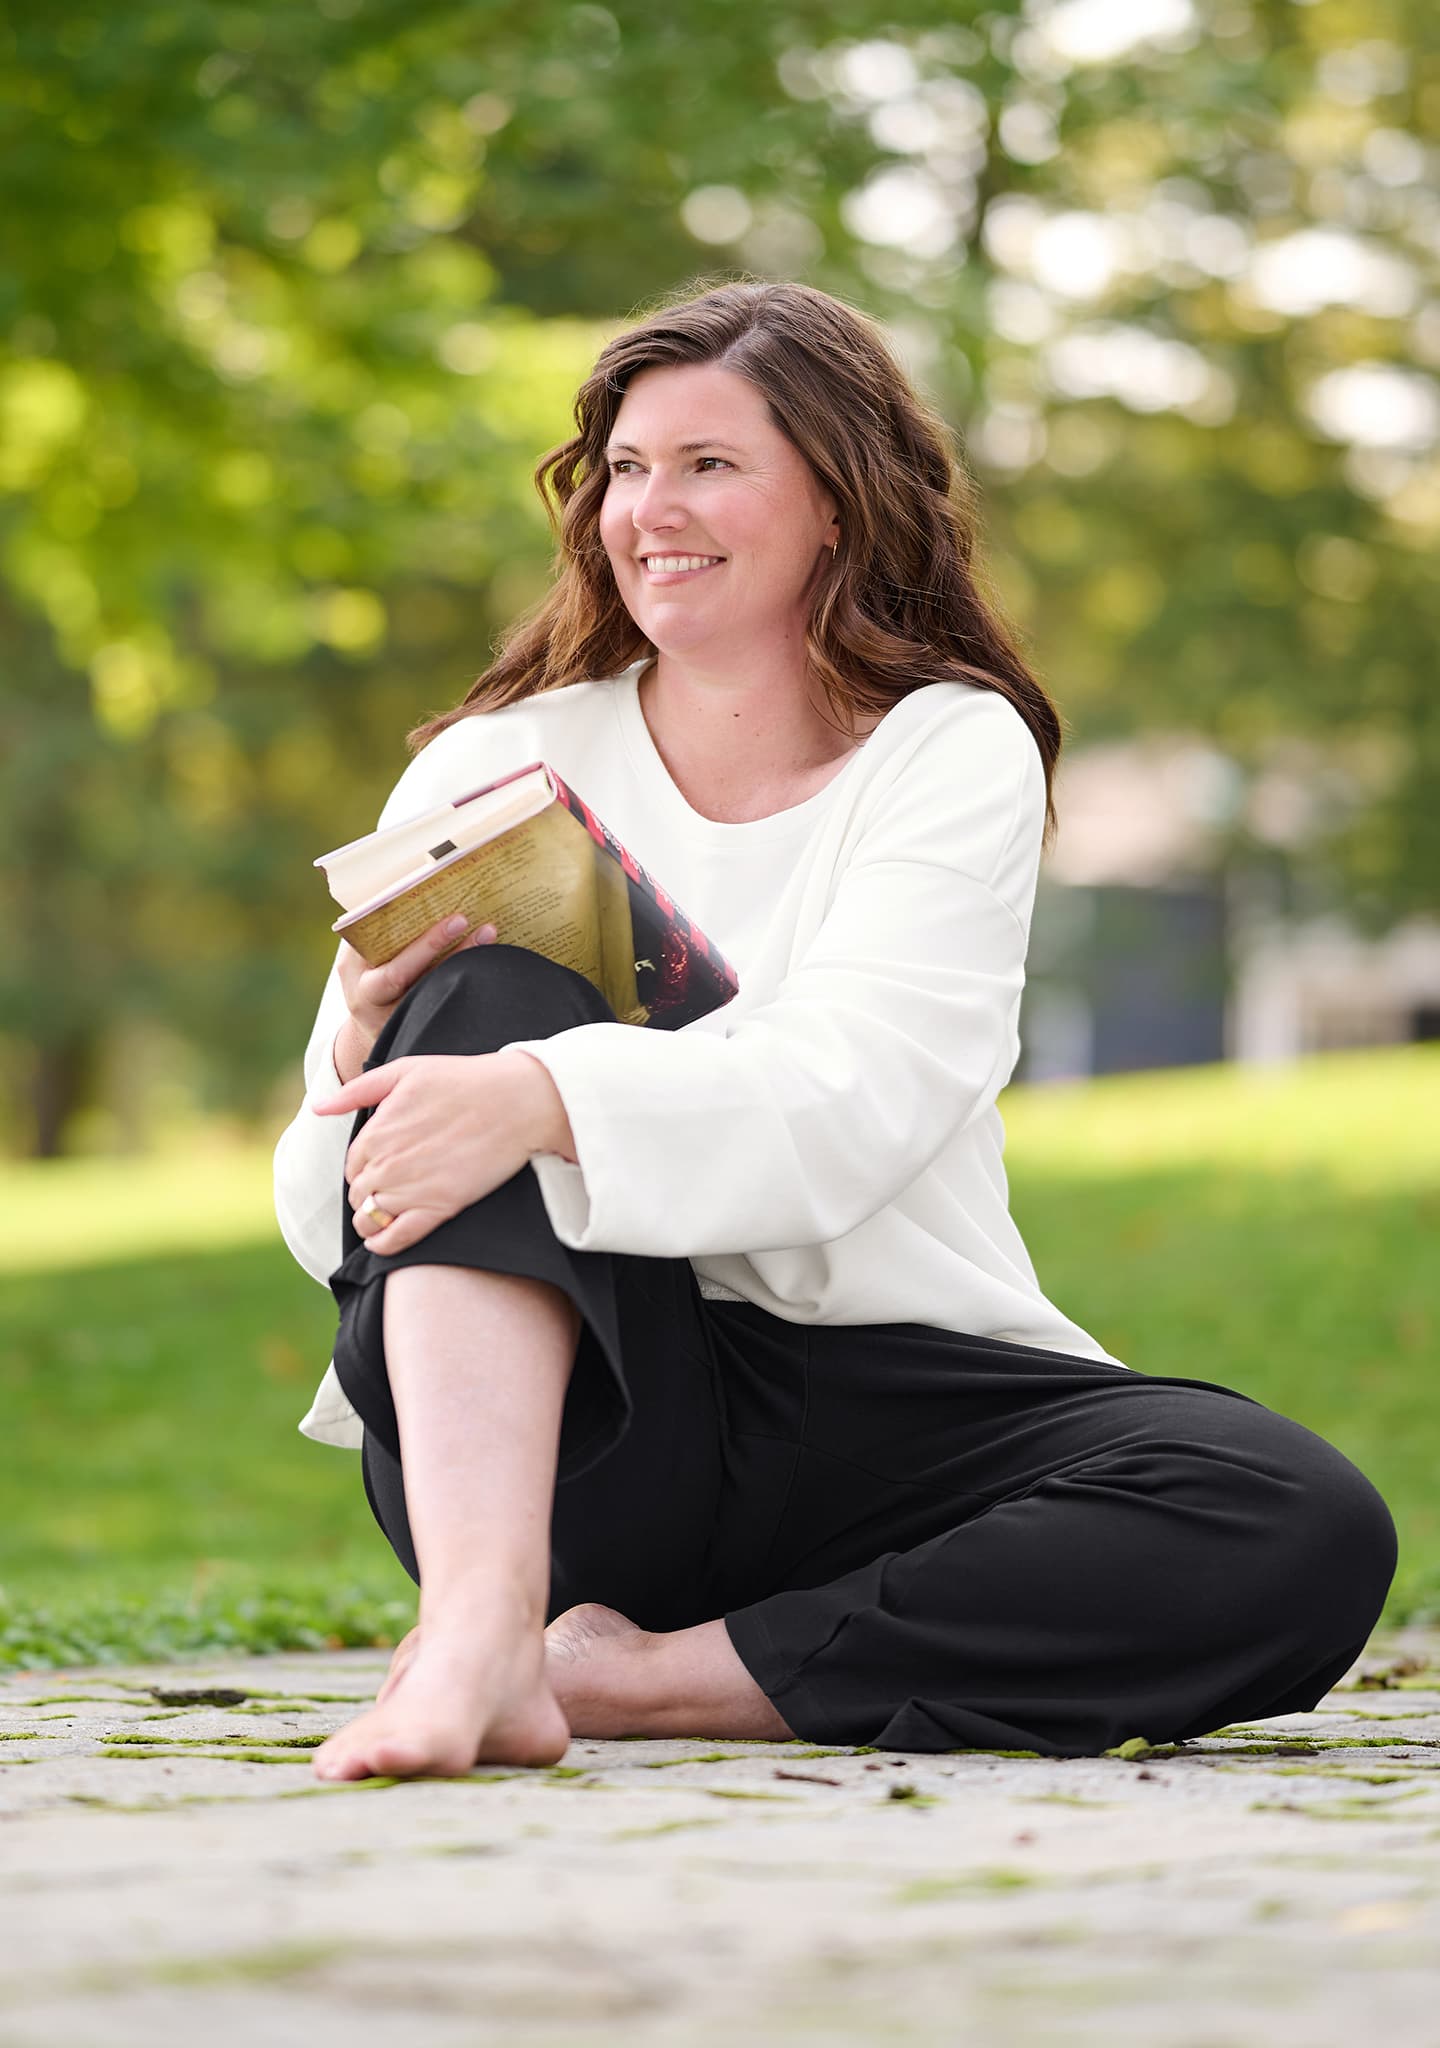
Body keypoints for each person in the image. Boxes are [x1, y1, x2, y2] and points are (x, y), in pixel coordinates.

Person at [272, 279, 1397, 1784]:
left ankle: (635, 1683)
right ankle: (481, 1634)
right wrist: (358, 1047)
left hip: (887, 1388)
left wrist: (547, 1100)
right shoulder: (500, 760)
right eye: (624, 469)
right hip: (588, 1427)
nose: (649, 509)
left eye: (709, 465)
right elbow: (327, 1212)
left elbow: (853, 1104)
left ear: (839, 500)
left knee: (1295, 1519)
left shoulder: (947, 745)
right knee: (481, 1003)